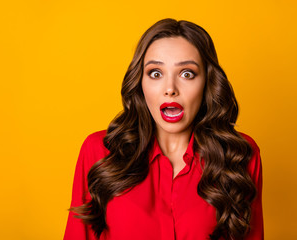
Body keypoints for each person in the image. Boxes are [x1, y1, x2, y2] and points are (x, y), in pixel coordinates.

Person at [64, 18, 263, 240]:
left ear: (208, 82)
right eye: (155, 73)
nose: (170, 89)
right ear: (140, 82)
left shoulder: (239, 155)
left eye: (187, 73)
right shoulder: (100, 151)